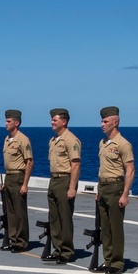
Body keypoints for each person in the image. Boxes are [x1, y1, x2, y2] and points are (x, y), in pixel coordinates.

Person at [97, 106, 134, 274]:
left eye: (105, 121)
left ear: (115, 122)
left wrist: (125, 194)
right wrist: (99, 190)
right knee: (105, 227)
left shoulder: (123, 144)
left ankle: (117, 263)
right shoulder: (103, 143)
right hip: (103, 186)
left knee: (115, 227)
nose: (102, 124)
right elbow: (102, 167)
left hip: (115, 187)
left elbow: (130, 170)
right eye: (102, 121)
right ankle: (108, 260)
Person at [43, 108, 81, 263]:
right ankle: (57, 248)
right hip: (54, 180)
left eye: (55, 120)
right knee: (54, 218)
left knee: (64, 217)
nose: (52, 122)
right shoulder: (53, 140)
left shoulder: (71, 140)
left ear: (64, 122)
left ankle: (67, 251)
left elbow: (76, 164)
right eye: (52, 119)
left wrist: (72, 187)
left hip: (65, 180)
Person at [1, 109, 33, 252]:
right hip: (9, 176)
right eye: (6, 121)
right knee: (11, 212)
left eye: (9, 121)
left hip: (18, 177)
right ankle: (13, 239)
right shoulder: (7, 140)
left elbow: (29, 162)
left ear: (17, 122)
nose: (6, 123)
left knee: (19, 212)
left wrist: (25, 184)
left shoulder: (23, 139)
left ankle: (21, 242)